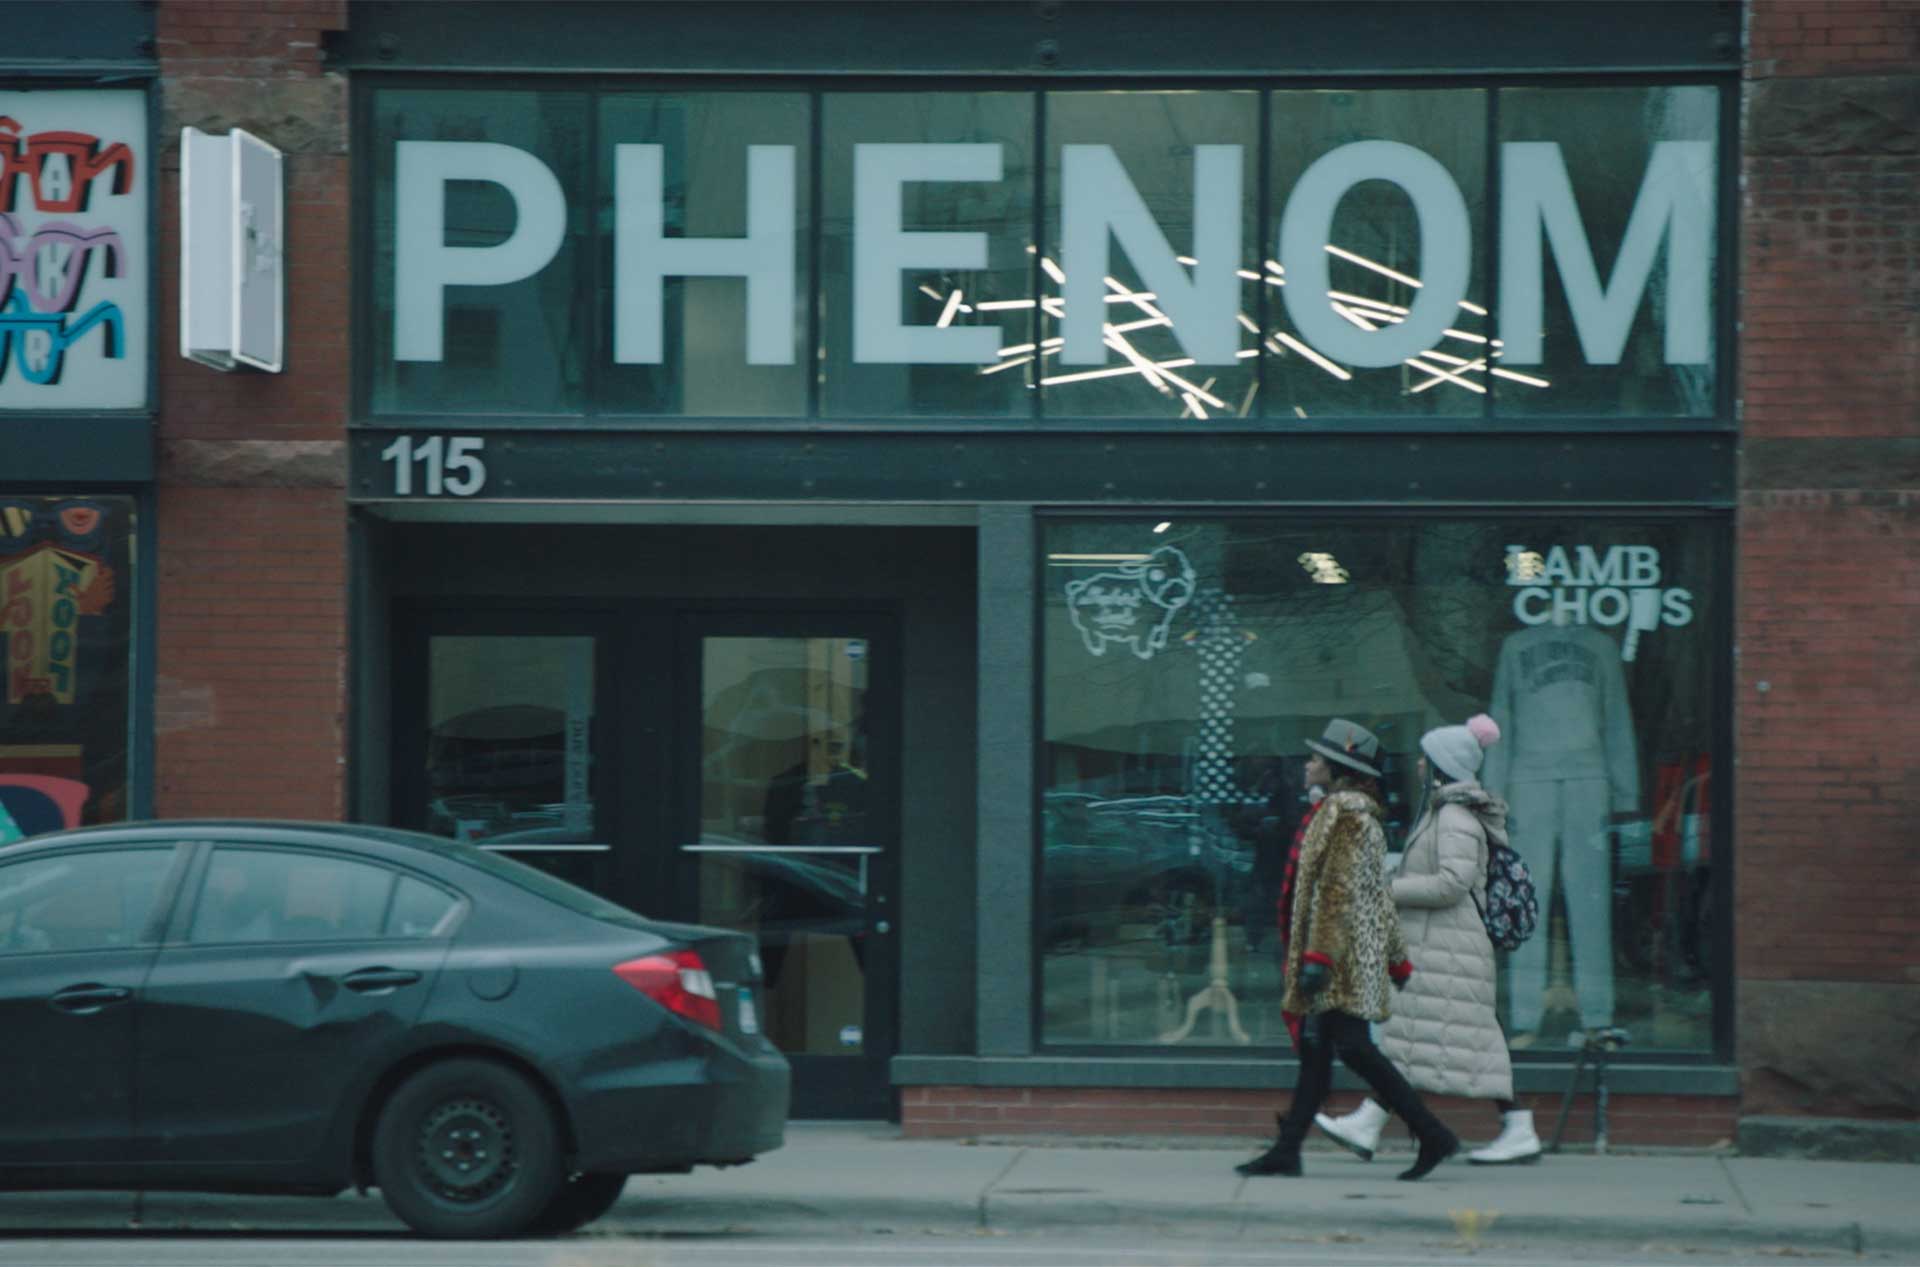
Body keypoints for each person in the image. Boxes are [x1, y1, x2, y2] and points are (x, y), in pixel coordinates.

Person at [1314, 713, 1543, 1166]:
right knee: (1419, 1039)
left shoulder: (1456, 817)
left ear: (1442, 765)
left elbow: (1452, 884)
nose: (1418, 764)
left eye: (1426, 758)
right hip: (1441, 946)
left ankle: (1518, 1126)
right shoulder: (1447, 812)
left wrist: (1386, 890)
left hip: (1452, 948)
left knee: (1469, 1041)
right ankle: (1370, 1122)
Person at [1236, 719, 1460, 1181]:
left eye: (1318, 759)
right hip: (1337, 953)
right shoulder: (1336, 812)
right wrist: (1395, 956)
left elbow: (1339, 892)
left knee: (1355, 1051)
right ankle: (1288, 1148)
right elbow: (1374, 893)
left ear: (1339, 770)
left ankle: (1433, 1134)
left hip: (1339, 960)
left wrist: (1319, 959)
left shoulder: (1349, 818)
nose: (1308, 764)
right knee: (1317, 1055)